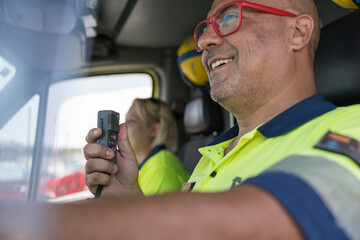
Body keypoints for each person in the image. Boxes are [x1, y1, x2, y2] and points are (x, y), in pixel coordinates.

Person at [1, 0, 359, 239]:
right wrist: (128, 199)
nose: (203, 40)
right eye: (205, 27)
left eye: (229, 17)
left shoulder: (350, 127)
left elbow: (270, 219)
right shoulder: (211, 155)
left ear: (297, 33)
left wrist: (24, 227)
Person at [86, 98, 189, 196]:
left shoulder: (162, 169)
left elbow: (151, 215)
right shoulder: (142, 165)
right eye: (125, 120)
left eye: (131, 120)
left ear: (154, 130)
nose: (121, 127)